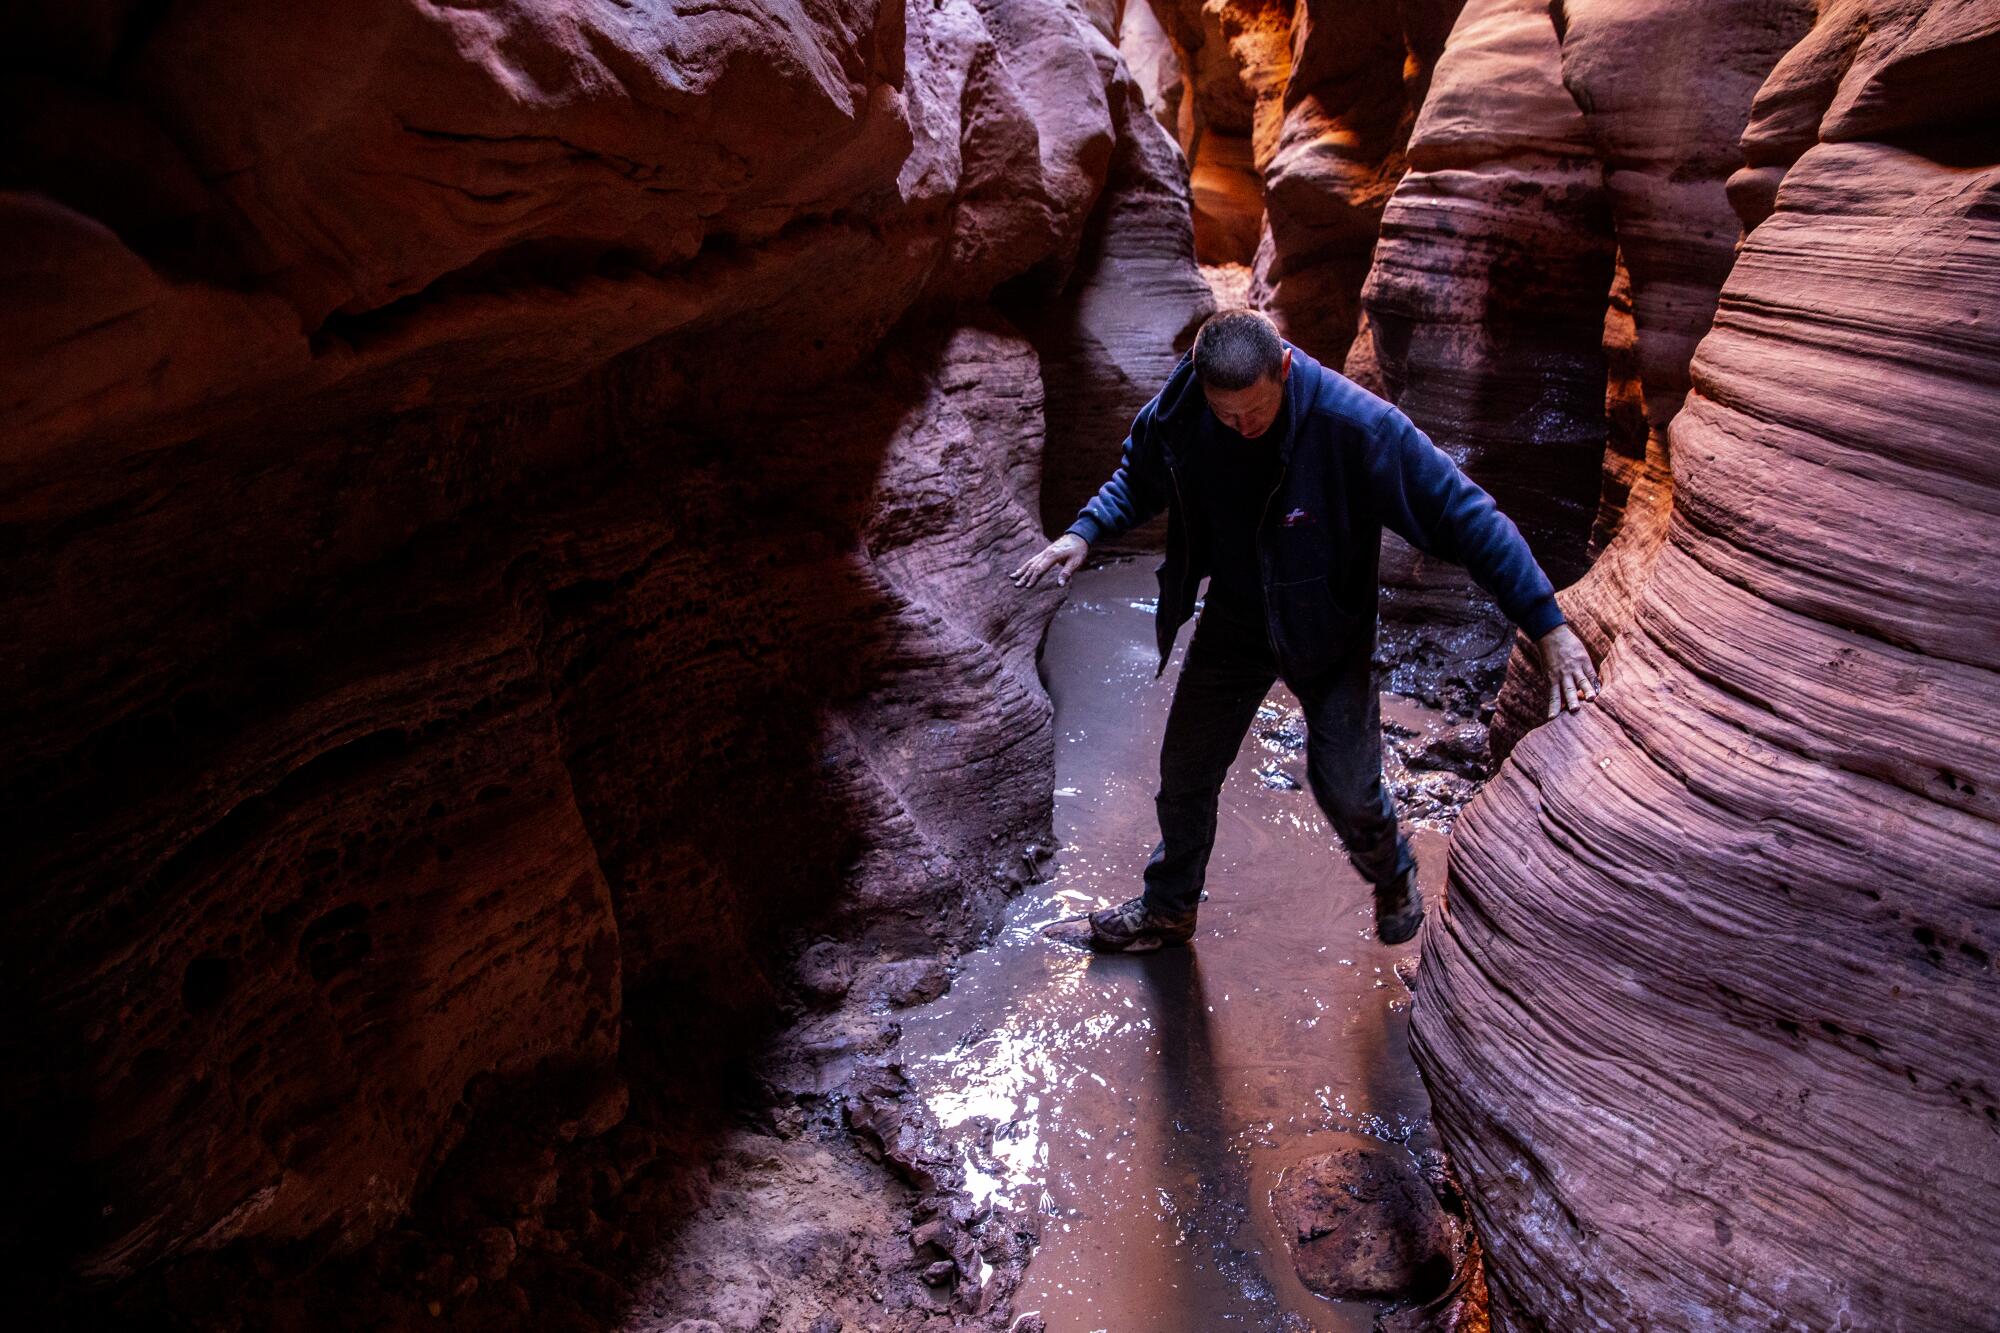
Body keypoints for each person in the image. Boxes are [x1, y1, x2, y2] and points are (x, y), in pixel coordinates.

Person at [1010, 309, 1598, 951]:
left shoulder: (1356, 426)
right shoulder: (1187, 403)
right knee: (1186, 769)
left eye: (1253, 414)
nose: (1239, 428)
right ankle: (1168, 908)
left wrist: (1548, 625)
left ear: (1285, 369)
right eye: (1225, 414)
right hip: (1235, 619)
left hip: (1328, 630)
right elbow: (1141, 474)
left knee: (1345, 788)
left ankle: (1392, 875)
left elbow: (1466, 515)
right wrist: (1083, 531)